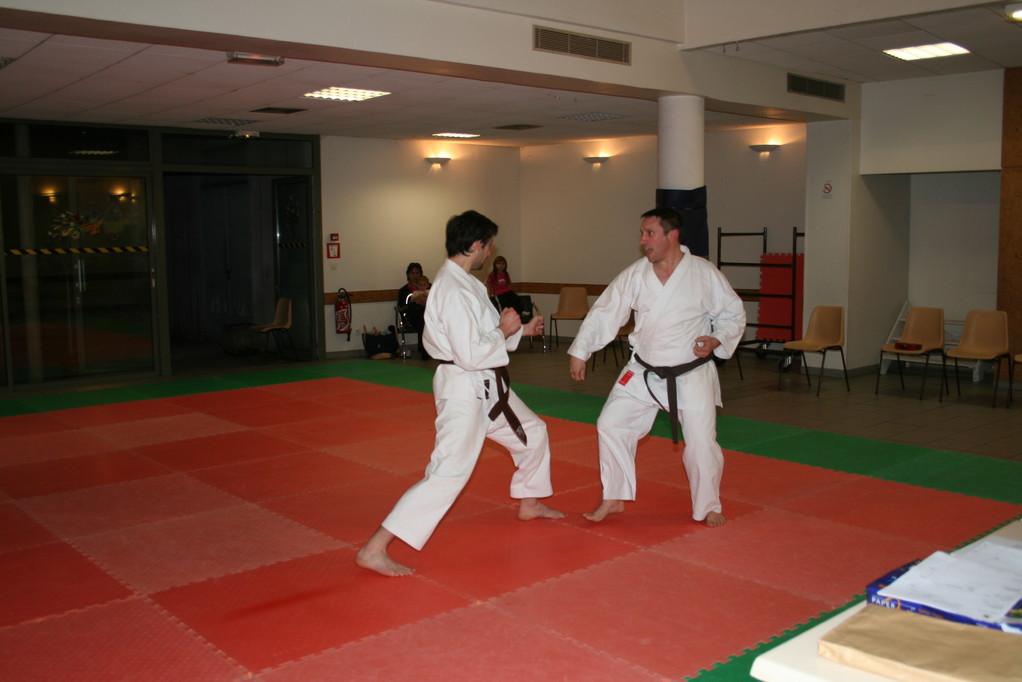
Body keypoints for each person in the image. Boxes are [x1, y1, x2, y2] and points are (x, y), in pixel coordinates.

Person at [356, 210, 565, 577]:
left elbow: (482, 336)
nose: (490, 251)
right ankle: (374, 548)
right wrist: (504, 330)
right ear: (475, 245)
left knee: (533, 432)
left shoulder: (467, 283)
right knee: (448, 472)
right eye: (489, 244)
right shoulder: (451, 289)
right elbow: (470, 352)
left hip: (487, 384)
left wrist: (519, 331)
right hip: (464, 388)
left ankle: (529, 502)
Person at [567, 207, 746, 528]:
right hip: (643, 371)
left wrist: (716, 339)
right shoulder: (636, 274)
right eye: (642, 233)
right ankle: (614, 495)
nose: (643, 240)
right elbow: (606, 311)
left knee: (701, 443)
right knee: (611, 424)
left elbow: (733, 314)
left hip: (690, 373)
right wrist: (581, 350)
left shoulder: (704, 274)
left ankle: (708, 505)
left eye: (649, 233)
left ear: (672, 235)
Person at [397, 262, 430, 360]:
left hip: (430, 315)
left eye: (417, 273)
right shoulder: (404, 291)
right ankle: (423, 350)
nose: (415, 276)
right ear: (408, 275)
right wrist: (414, 301)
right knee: (421, 316)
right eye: (412, 273)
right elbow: (402, 307)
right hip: (412, 318)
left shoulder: (429, 288)